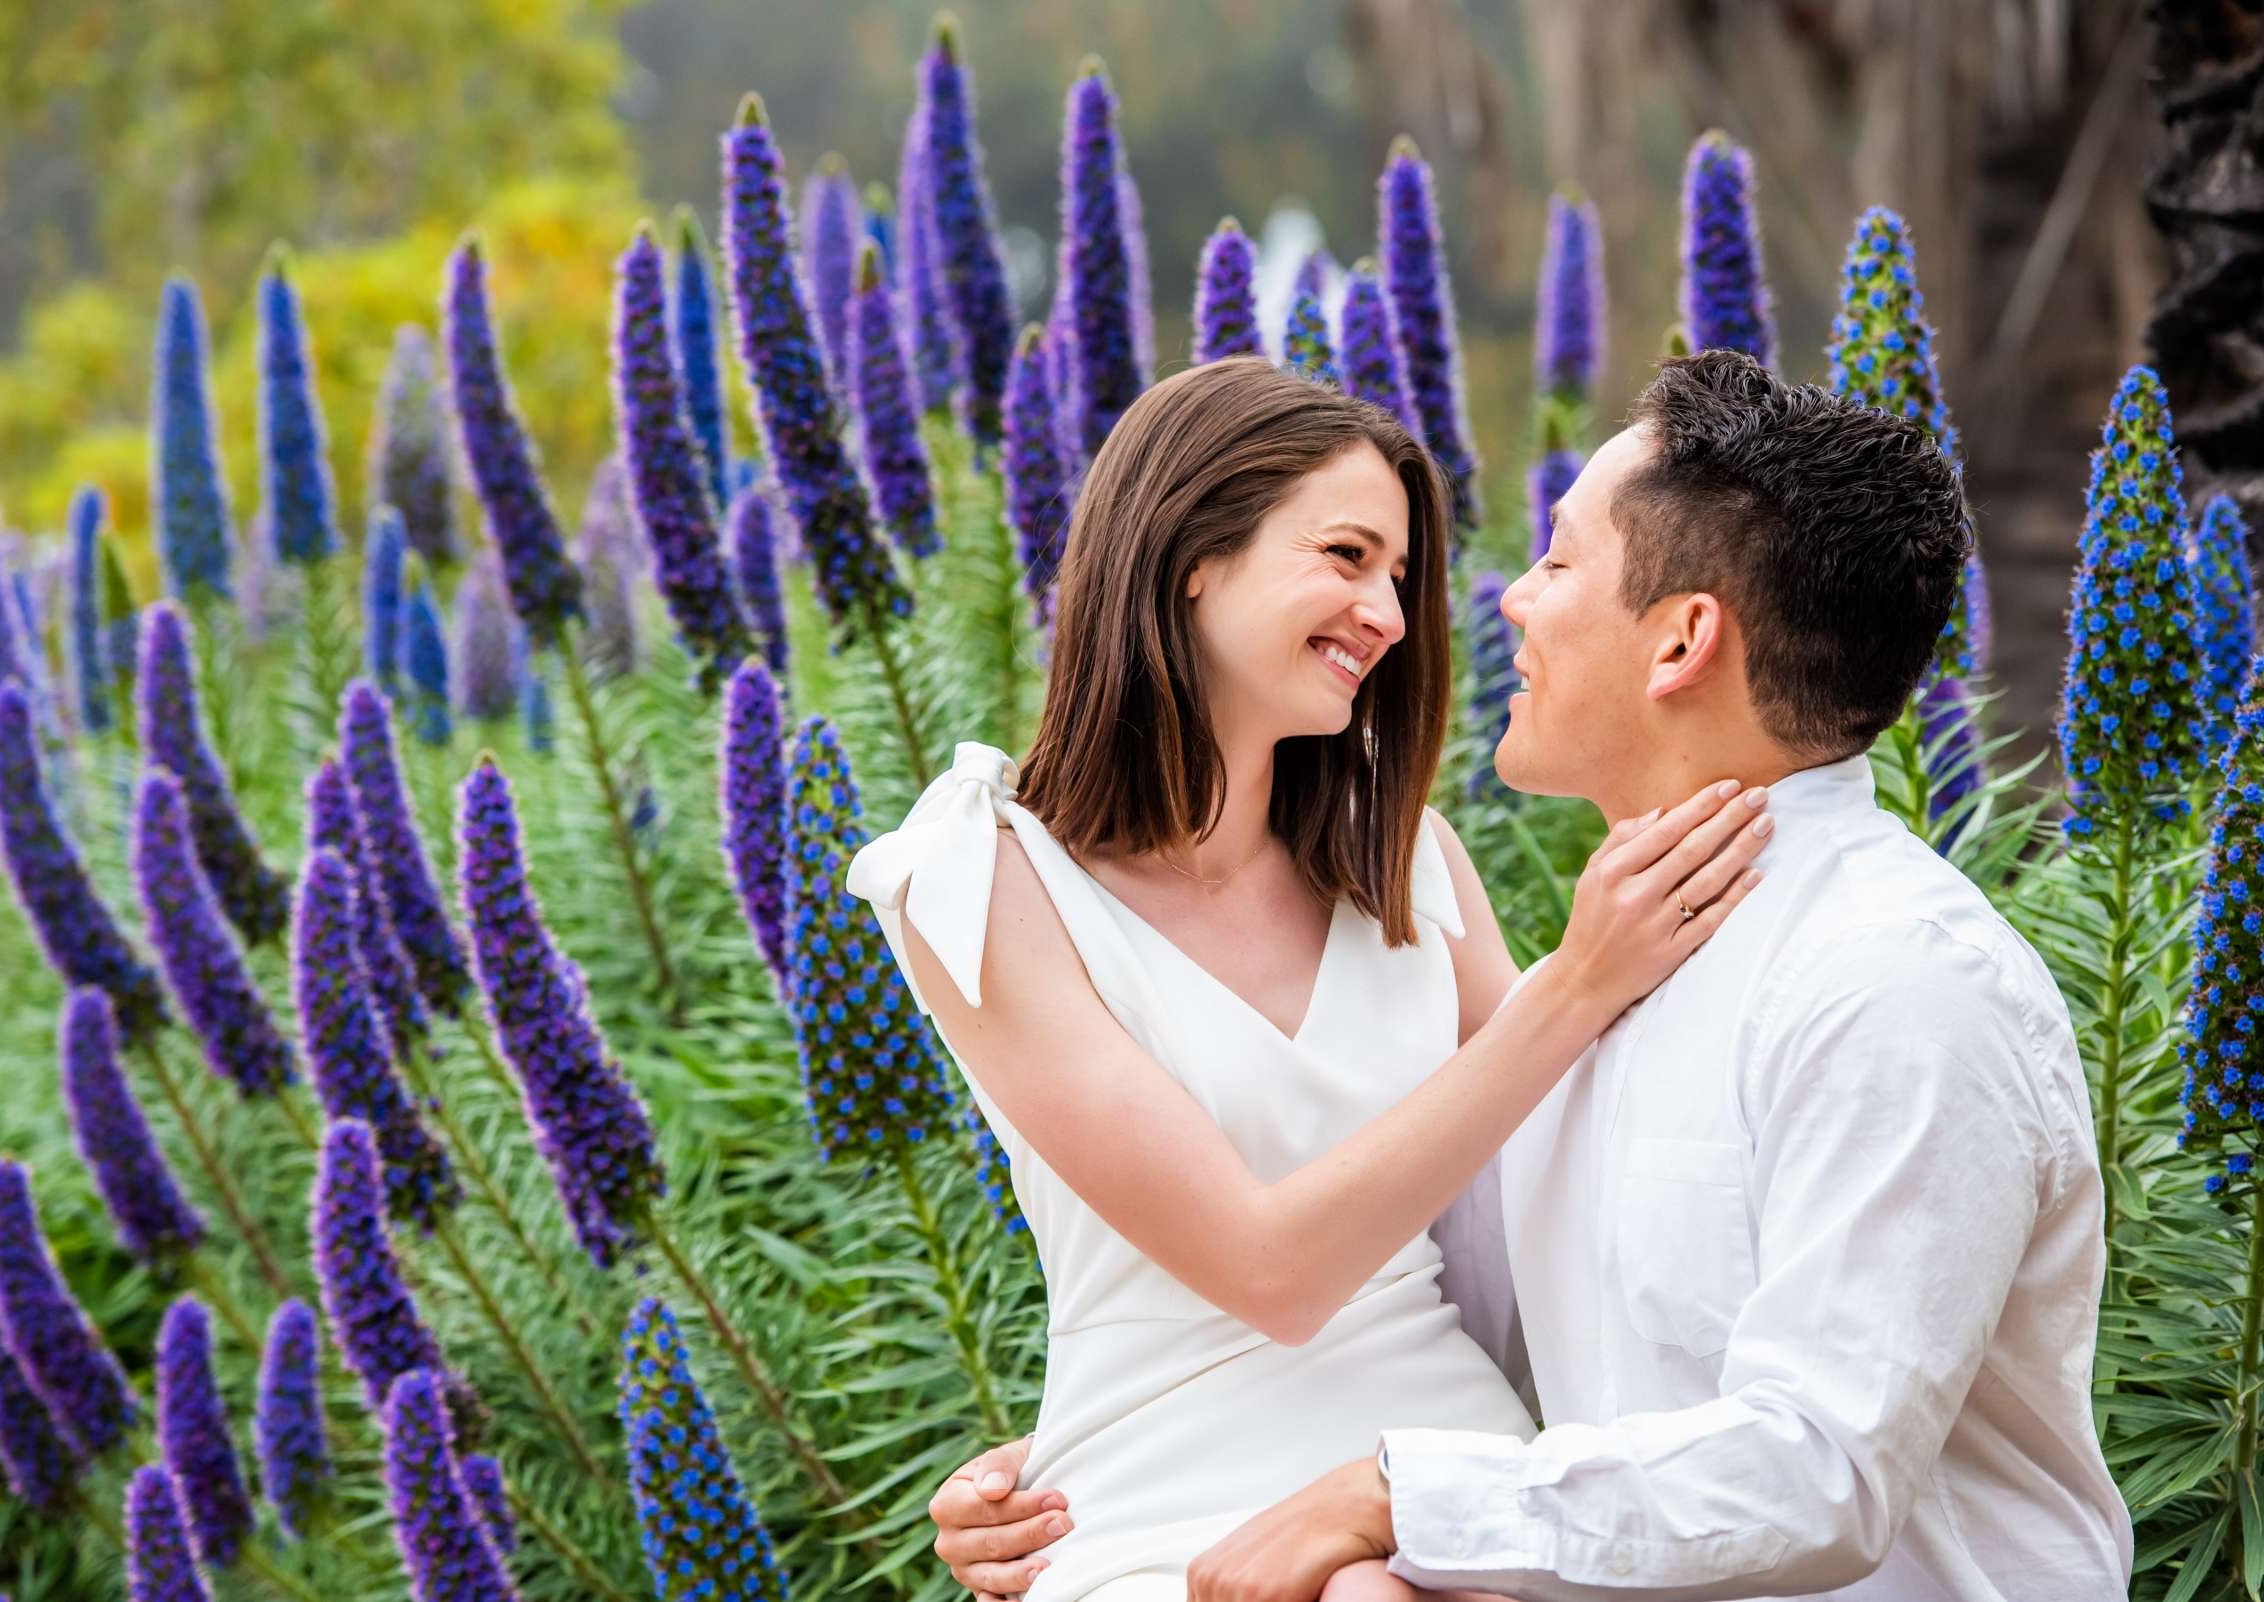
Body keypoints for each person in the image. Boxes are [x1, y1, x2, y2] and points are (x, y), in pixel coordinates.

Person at [924, 350, 2134, 1601]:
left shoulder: (1891, 987)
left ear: (1680, 642)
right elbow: (1434, 1300)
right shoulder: (1613, 966)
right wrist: (1099, 1461)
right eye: (1350, 559)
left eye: (1556, 561)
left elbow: (1821, 1468)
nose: (1485, 603)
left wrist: (1386, 1497)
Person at [847, 355, 1772, 1602]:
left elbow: (1580, 1183)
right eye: (1345, 558)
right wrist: (1575, 983)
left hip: (1434, 1462)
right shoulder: (981, 877)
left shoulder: (1408, 861)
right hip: (1149, 1498)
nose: (1390, 615)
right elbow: (1267, 1271)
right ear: (1190, 556)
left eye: (1398, 576)